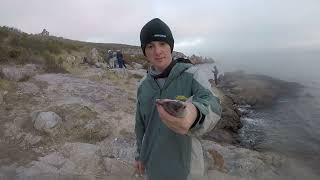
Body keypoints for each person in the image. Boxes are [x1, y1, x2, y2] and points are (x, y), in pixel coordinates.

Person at [134, 18, 222, 180]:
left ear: (171, 46)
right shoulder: (143, 86)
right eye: (150, 46)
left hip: (187, 170)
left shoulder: (192, 75)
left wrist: (194, 114)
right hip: (153, 166)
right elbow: (140, 126)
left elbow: (213, 104)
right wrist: (139, 155)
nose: (157, 51)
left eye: (162, 44)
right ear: (144, 51)